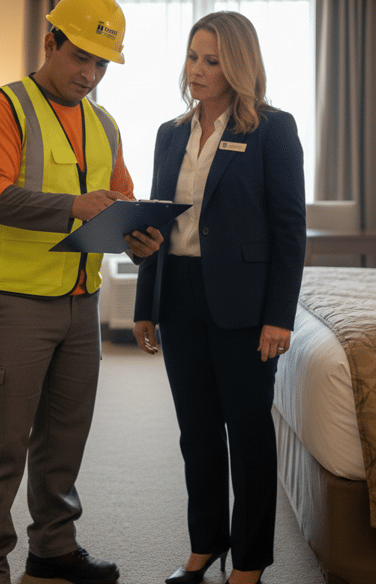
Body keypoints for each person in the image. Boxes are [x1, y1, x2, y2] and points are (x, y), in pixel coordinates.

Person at [0, 1, 163, 583]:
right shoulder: (1, 108)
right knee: (0, 447)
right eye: (81, 58)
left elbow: (118, 201)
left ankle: (52, 550)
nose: (90, 75)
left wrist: (137, 237)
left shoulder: (105, 124)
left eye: (102, 64)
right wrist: (73, 208)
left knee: (64, 440)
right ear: (50, 43)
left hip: (81, 303)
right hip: (12, 304)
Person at [132, 11, 306, 584]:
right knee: (197, 432)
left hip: (244, 304)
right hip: (179, 296)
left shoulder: (271, 130)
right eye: (193, 57)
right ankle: (204, 545)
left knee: (248, 431)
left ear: (238, 66)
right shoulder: (168, 133)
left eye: (213, 61)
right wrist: (145, 304)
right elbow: (155, 223)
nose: (199, 70)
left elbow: (288, 230)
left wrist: (279, 316)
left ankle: (250, 560)